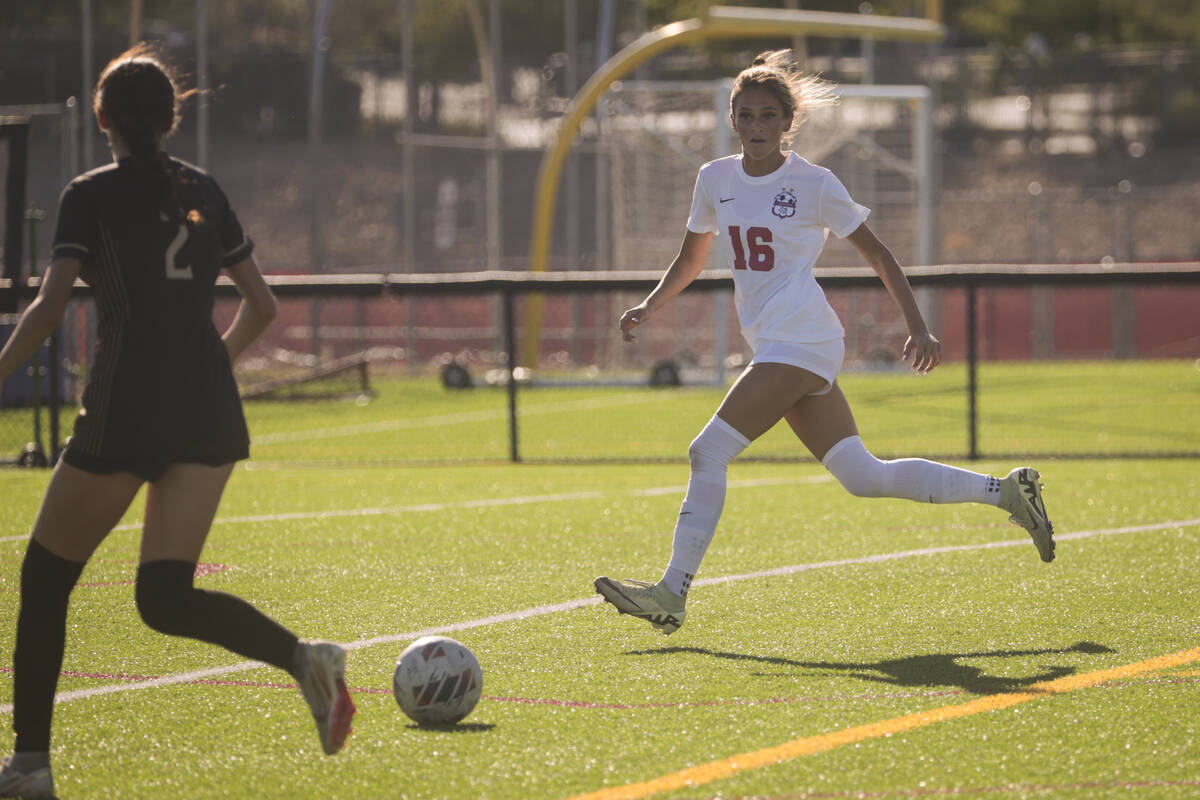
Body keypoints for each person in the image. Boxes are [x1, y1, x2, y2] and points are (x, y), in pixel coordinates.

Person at [594, 50, 1054, 636]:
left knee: (707, 453)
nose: (756, 126)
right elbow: (691, 259)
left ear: (787, 123)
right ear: (732, 120)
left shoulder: (813, 183)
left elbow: (880, 254)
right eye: (745, 115)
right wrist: (648, 306)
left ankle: (671, 593)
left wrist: (918, 325)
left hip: (803, 339)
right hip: (779, 346)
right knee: (864, 475)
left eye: (767, 116)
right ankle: (1008, 492)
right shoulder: (714, 178)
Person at [0, 45, 355, 798]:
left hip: (128, 406)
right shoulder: (204, 188)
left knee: (44, 578)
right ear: (172, 117)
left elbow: (50, 306)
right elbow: (263, 307)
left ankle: (30, 767)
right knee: (163, 598)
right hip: (206, 412)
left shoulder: (88, 194)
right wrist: (210, 371)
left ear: (104, 118)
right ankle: (304, 659)